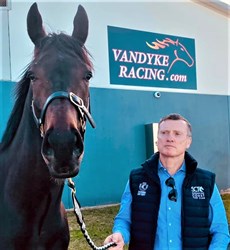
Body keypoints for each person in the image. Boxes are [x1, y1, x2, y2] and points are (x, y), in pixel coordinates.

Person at [104, 113, 230, 250]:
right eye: (164, 132)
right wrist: (119, 234)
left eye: (177, 134)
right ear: (157, 140)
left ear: (188, 142)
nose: (170, 138)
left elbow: (221, 231)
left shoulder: (206, 182)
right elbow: (124, 219)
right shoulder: (137, 179)